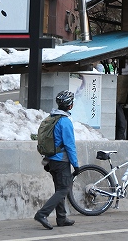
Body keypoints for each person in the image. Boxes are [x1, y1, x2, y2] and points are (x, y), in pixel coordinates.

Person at [34, 90, 79, 230]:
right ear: (70, 105)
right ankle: (42, 214)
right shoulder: (65, 121)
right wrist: (76, 165)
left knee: (59, 188)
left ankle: (61, 218)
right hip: (61, 161)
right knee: (64, 189)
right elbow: (70, 146)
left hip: (51, 160)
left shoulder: (52, 118)